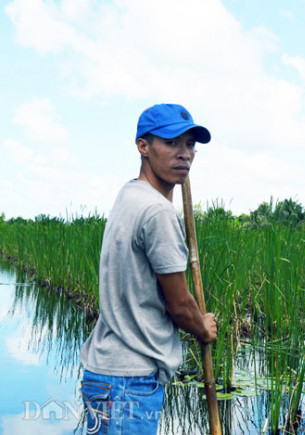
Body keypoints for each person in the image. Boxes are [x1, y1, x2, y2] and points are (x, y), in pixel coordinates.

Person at [79, 103, 218, 434]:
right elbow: (179, 304)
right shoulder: (157, 211)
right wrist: (202, 328)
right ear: (143, 146)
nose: (184, 154)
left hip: (105, 373)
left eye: (189, 145)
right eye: (171, 143)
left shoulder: (130, 194)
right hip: (131, 379)